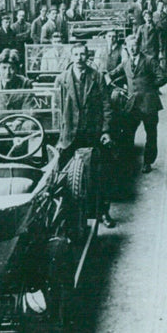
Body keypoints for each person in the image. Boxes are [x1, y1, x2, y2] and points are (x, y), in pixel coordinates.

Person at [55, 43, 115, 228]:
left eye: (83, 55)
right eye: (76, 54)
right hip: (69, 135)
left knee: (98, 175)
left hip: (92, 133)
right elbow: (56, 110)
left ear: (88, 57)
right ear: (71, 57)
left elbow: (106, 105)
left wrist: (106, 131)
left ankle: (102, 213)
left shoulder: (96, 77)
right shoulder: (62, 79)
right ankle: (68, 217)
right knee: (65, 176)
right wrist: (59, 136)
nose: (80, 58)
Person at [109, 35, 167, 174]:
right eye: (129, 46)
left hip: (149, 105)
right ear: (126, 48)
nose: (132, 48)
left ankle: (148, 162)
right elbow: (113, 73)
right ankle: (128, 161)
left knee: (151, 134)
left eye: (135, 45)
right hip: (133, 105)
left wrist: (150, 87)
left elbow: (163, 77)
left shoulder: (149, 61)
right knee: (128, 133)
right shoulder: (126, 63)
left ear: (139, 46)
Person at [152, 0, 167, 70]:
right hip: (155, 38)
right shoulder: (153, 15)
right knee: (155, 55)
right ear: (157, 6)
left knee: (164, 55)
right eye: (159, 5)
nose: (161, 7)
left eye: (162, 5)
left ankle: (164, 72)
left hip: (164, 38)